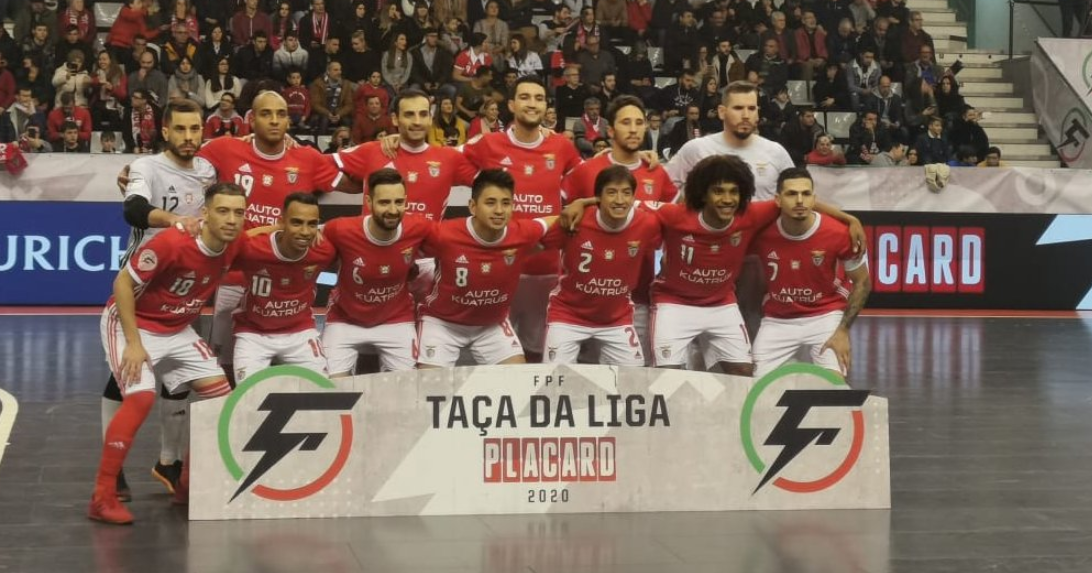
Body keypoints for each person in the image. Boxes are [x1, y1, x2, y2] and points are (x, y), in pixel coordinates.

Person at [89, 182, 245, 525]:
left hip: (176, 329)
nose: (231, 219)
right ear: (204, 213)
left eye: (238, 212)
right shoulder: (173, 242)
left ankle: (187, 486)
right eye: (222, 211)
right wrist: (133, 343)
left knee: (223, 401)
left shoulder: (236, 244)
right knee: (141, 397)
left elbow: (271, 235)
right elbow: (122, 285)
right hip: (131, 323)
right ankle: (102, 497)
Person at [100, 99, 215, 502]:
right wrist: (173, 221)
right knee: (127, 373)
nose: (189, 136)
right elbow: (131, 210)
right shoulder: (147, 168)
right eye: (180, 129)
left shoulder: (207, 170)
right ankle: (112, 470)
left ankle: (170, 461)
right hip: (145, 279)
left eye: (195, 129)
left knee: (180, 376)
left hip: (188, 284)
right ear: (165, 131)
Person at [195, 91, 346, 375]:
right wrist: (135, 170)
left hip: (286, 280)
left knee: (295, 368)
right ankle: (231, 416)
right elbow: (181, 160)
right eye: (266, 114)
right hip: (234, 278)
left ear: (289, 120)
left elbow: (354, 181)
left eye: (281, 114)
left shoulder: (308, 158)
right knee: (227, 365)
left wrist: (390, 148)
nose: (274, 120)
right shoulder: (225, 149)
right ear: (251, 119)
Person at [560, 96, 679, 361]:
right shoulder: (587, 171)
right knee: (582, 376)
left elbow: (671, 221)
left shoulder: (656, 172)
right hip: (584, 299)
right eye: (626, 123)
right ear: (611, 131)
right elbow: (564, 215)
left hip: (638, 297)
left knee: (631, 378)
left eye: (639, 123)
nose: (634, 129)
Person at [333, 89, 477, 298]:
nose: (417, 121)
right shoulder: (373, 151)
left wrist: (542, 135)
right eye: (409, 115)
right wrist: (354, 185)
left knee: (421, 325)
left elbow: (492, 169)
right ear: (395, 118)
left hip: (424, 263)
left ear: (430, 118)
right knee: (365, 321)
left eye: (423, 114)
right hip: (371, 256)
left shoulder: (449, 158)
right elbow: (319, 165)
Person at [416, 169, 560, 368]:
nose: (499, 210)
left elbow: (553, 220)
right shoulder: (444, 234)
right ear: (473, 207)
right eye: (490, 203)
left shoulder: (521, 232)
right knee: (427, 387)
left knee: (521, 384)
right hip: (442, 324)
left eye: (506, 203)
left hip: (491, 326)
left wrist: (577, 206)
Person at [750, 168, 872, 379]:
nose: (799, 200)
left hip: (825, 315)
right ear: (777, 200)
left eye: (806, 194)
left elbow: (863, 282)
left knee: (834, 385)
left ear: (814, 199)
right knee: (757, 388)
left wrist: (843, 330)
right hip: (777, 320)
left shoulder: (838, 233)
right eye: (791, 194)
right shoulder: (761, 232)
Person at [543, 165, 662, 366]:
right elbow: (535, 245)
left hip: (616, 319)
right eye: (612, 193)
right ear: (598, 197)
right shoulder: (575, 220)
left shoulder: (648, 224)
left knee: (633, 382)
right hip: (568, 315)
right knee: (555, 380)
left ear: (634, 197)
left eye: (626, 193)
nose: (620, 200)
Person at [321, 169, 433, 374]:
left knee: (408, 390)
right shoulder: (339, 229)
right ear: (368, 202)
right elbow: (298, 237)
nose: (392, 210)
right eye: (384, 202)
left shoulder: (419, 228)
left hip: (396, 320)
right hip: (344, 320)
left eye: (399, 202)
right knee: (331, 392)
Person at [231, 193, 335, 381]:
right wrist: (272, 228)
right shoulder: (252, 248)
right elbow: (228, 247)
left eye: (311, 224)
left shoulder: (323, 250)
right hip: (253, 334)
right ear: (282, 222)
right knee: (247, 399)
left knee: (321, 393)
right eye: (296, 223)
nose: (305, 232)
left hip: (300, 332)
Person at [666, 81, 794, 201]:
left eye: (751, 108)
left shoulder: (776, 152)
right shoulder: (696, 149)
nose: (746, 115)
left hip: (761, 224)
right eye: (738, 108)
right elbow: (662, 186)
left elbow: (795, 195)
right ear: (722, 112)